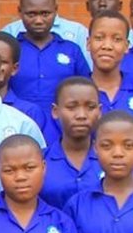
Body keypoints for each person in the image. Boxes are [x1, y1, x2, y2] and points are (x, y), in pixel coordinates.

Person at [86, 12, 133, 158]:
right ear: (88, 43)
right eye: (99, 38)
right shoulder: (75, 94)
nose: (107, 46)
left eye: (117, 39)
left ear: (127, 46)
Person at [8, 0, 89, 110]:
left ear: (55, 11)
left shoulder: (72, 50)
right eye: (31, 14)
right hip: (18, 122)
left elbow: (86, 89)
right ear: (20, 12)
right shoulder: (10, 50)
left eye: (45, 14)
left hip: (61, 124)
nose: (39, 20)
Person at [40, 77, 102, 209]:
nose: (81, 115)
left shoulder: (111, 159)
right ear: (55, 111)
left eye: (90, 107)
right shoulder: (40, 161)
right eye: (72, 107)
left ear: (99, 111)